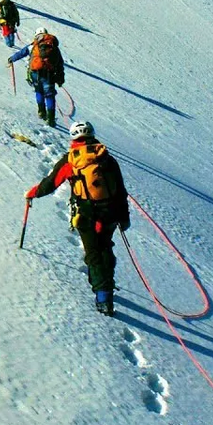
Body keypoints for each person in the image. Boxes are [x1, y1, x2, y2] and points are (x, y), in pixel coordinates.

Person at [24, 121, 130, 315]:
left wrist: (33, 193)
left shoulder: (71, 160)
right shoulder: (107, 158)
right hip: (111, 213)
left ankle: (103, 297)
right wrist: (124, 217)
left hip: (87, 215)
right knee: (105, 247)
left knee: (93, 254)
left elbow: (51, 182)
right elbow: (121, 191)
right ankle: (106, 283)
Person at [7, 27, 65, 127]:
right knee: (50, 95)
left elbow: (21, 53)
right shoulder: (54, 47)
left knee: (39, 91)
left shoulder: (33, 45)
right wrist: (60, 78)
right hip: (49, 74)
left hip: (35, 73)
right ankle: (51, 119)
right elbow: (60, 64)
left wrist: (12, 59)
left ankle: (41, 112)